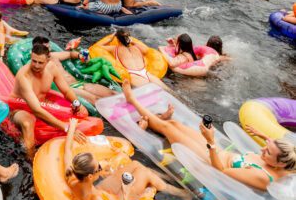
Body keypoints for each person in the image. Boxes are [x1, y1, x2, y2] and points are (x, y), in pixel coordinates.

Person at [122, 80, 296, 191]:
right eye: (266, 146)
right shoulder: (282, 162)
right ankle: (158, 120)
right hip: (217, 151)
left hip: (208, 160)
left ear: (279, 163)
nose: (263, 149)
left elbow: (221, 170)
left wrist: (211, 141)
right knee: (174, 124)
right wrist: (263, 135)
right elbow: (275, 150)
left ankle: (133, 100)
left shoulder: (262, 176)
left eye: (267, 151)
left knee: (168, 128)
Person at [63, 120, 188, 200]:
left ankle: (165, 178)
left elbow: (67, 150)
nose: (101, 166)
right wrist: (126, 194)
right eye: (98, 167)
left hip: (103, 192)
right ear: (90, 176)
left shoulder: (71, 175)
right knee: (144, 173)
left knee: (135, 164)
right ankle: (181, 193)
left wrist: (72, 126)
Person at [11, 42, 87, 158]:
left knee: (77, 112)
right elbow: (36, 110)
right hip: (19, 108)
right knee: (27, 122)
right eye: (34, 61)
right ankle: (29, 160)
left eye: (40, 62)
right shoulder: (24, 76)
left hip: (41, 104)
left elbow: (66, 91)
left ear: (48, 60)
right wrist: (67, 128)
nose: (36, 65)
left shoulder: (52, 68)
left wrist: (77, 103)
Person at [100, 30, 164, 88]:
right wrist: (132, 41)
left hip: (133, 75)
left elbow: (97, 47)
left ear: (117, 39)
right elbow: (147, 50)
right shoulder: (137, 47)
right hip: (146, 73)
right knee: (170, 93)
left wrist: (110, 38)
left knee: (147, 96)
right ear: (129, 38)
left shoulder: (114, 49)